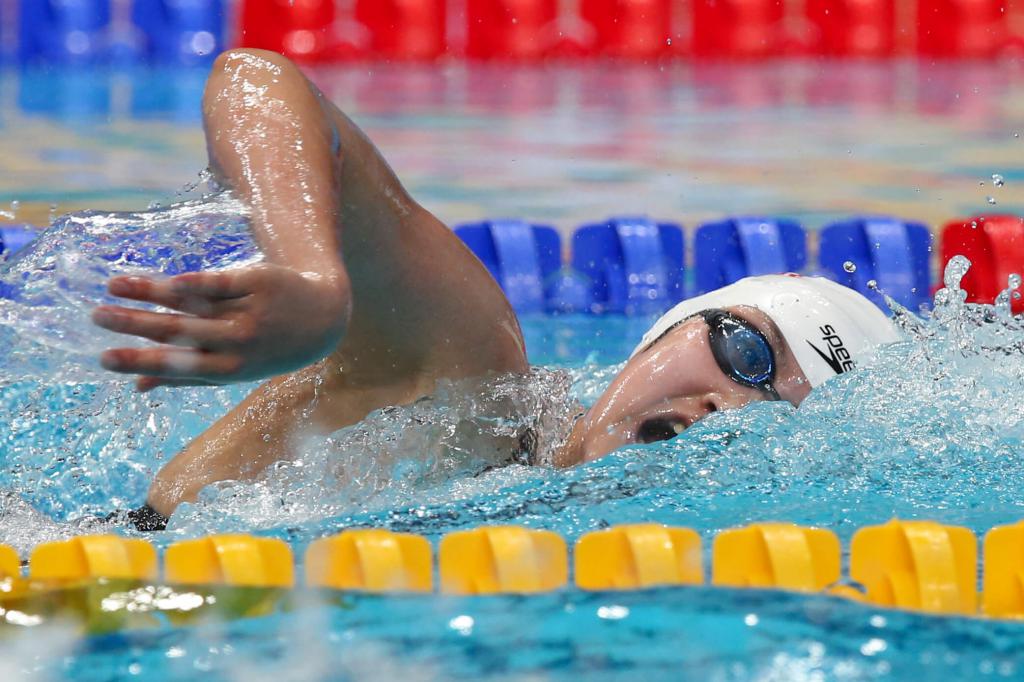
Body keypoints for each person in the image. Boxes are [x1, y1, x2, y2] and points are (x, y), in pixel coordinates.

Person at [91, 49, 898, 531]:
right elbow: (257, 80)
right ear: (667, 329)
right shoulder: (477, 385)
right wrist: (311, 272)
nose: (735, 407)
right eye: (745, 349)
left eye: (785, 415)